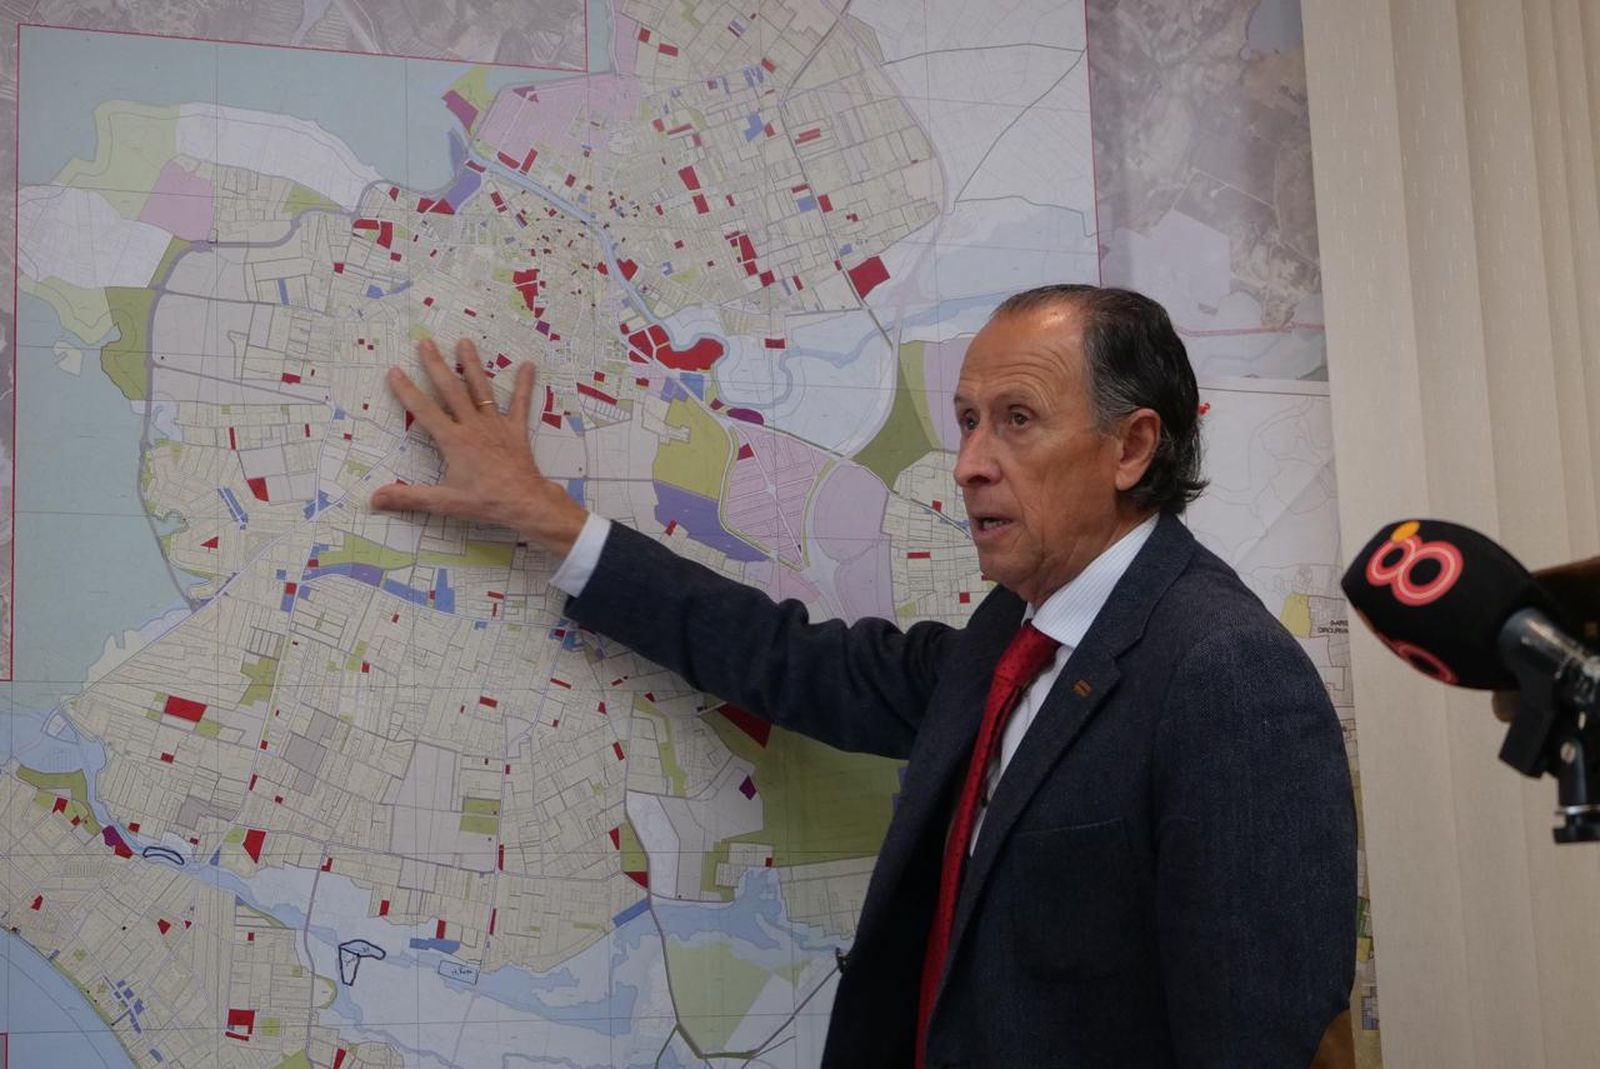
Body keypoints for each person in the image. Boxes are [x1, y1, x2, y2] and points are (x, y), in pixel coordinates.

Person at [371, 284, 1357, 1068]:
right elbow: (798, 663)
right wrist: (548, 517)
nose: (969, 462)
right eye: (967, 420)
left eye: (1016, 420)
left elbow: (1252, 1040)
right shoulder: (1014, 631)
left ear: (1132, 446)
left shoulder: (1222, 672)